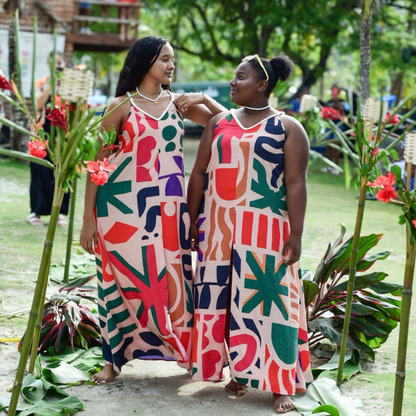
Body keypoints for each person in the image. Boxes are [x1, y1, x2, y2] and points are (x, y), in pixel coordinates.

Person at [79, 36, 226, 384]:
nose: (171, 65)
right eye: (164, 59)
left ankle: (185, 353)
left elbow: (227, 124)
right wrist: (88, 220)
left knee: (175, 281)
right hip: (122, 210)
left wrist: (204, 97)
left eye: (173, 59)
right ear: (145, 62)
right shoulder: (120, 106)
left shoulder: (180, 104)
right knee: (120, 282)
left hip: (171, 211)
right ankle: (113, 360)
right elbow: (96, 164)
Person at [187, 54, 313, 413]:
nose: (232, 83)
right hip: (219, 228)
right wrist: (192, 220)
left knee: (273, 302)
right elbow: (198, 174)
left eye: (240, 77)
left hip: (267, 228)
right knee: (224, 300)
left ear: (262, 85)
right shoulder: (219, 122)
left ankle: (280, 384)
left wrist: (297, 234)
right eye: (233, 77)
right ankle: (239, 371)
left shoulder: (288, 127)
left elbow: (295, 182)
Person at [27, 53, 69, 226]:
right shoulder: (41, 83)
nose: (58, 66)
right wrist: (51, 85)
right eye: (54, 64)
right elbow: (37, 105)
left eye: (60, 63)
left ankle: (58, 212)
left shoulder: (70, 84)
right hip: (42, 133)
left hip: (63, 134)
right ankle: (35, 211)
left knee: (61, 173)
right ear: (48, 63)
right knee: (39, 171)